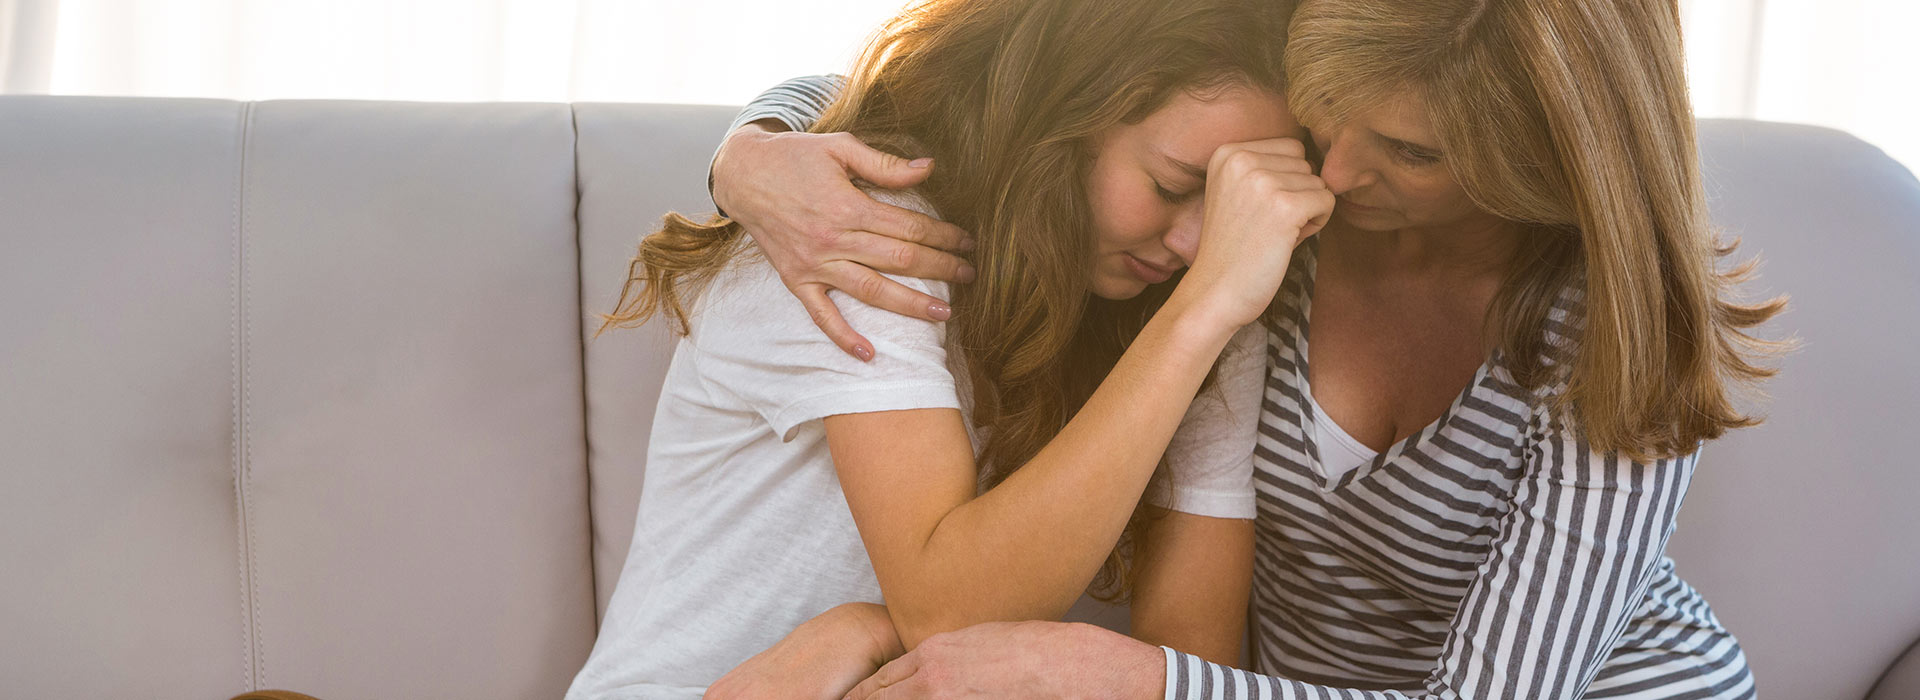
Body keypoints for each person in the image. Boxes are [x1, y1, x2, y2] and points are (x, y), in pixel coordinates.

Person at [705, 0, 1785, 697]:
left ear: (1546, 162)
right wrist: (756, 148)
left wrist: (1137, 680)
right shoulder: (1267, 219)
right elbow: (1019, 74)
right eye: (1331, 114)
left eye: (1408, 151)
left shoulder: (1602, 328)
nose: (1341, 171)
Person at [564, 0, 1336, 697]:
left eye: (1235, 205)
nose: (1198, 243)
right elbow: (948, 610)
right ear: (1065, 113)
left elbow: (1184, 663)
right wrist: (1200, 316)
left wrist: (868, 628)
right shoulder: (851, 232)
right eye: (1173, 186)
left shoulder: (1209, 301)